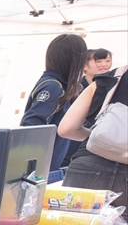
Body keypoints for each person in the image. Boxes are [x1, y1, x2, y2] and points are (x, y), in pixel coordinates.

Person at [20, 33, 87, 176]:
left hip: (47, 167)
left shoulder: (57, 85)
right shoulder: (53, 86)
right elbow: (31, 125)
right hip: (40, 170)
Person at [60, 65, 127, 205]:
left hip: (88, 165)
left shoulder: (112, 77)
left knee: (73, 223)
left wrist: (99, 138)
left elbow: (66, 128)